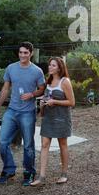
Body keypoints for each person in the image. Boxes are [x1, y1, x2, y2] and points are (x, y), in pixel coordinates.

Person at [0, 42, 45, 186]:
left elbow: (42, 89)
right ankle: (9, 170)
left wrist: (32, 94)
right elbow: (5, 89)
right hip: (11, 111)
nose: (22, 55)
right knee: (3, 142)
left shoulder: (37, 71)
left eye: (25, 53)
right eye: (21, 52)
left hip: (27, 113)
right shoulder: (11, 68)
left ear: (31, 53)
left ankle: (29, 173)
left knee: (28, 145)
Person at [30, 57, 75, 186]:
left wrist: (55, 101)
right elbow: (47, 97)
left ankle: (64, 174)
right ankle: (41, 177)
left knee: (62, 144)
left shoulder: (65, 81)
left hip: (61, 117)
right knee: (44, 144)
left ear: (60, 68)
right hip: (48, 117)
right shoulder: (48, 81)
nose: (50, 67)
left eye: (53, 65)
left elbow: (72, 102)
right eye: (49, 65)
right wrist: (43, 102)